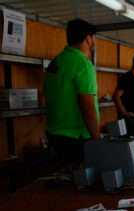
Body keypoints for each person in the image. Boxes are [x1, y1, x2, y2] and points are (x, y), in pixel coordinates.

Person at [44, 19, 100, 163]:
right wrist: (98, 139)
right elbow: (87, 107)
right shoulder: (83, 65)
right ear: (88, 38)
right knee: (82, 180)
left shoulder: (57, 61)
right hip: (76, 136)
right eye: (94, 38)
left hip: (55, 134)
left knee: (67, 177)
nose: (95, 41)